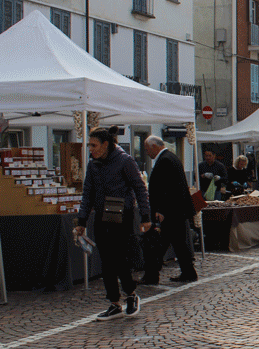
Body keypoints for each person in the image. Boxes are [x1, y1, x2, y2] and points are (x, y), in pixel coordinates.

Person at [74, 126, 151, 320]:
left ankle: (131, 295)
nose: (90, 149)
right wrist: (81, 220)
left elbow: (140, 189)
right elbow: (87, 194)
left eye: (94, 145)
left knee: (119, 258)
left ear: (105, 144)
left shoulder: (125, 161)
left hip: (122, 216)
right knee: (106, 261)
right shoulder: (93, 165)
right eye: (89, 145)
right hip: (101, 216)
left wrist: (145, 216)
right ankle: (114, 303)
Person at [141, 136, 197, 284]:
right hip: (174, 211)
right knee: (176, 244)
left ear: (154, 146)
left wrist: (161, 210)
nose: (146, 152)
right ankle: (187, 272)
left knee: (163, 244)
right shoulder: (169, 157)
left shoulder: (165, 160)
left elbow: (167, 189)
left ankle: (152, 275)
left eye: (147, 149)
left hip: (171, 212)